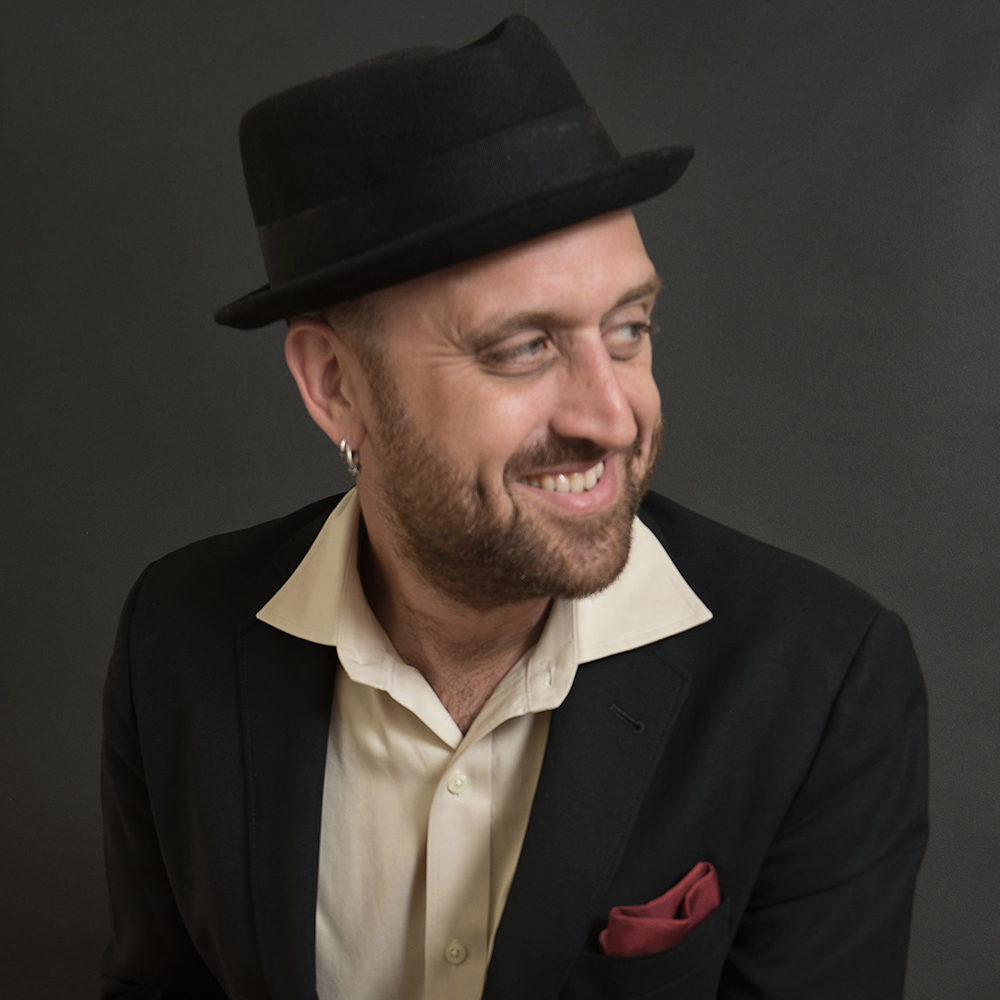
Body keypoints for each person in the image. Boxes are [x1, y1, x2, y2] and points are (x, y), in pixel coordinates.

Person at [100, 16, 928, 1000]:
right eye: (522, 347)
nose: (611, 416)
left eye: (628, 329)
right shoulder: (177, 634)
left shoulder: (822, 682)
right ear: (334, 386)